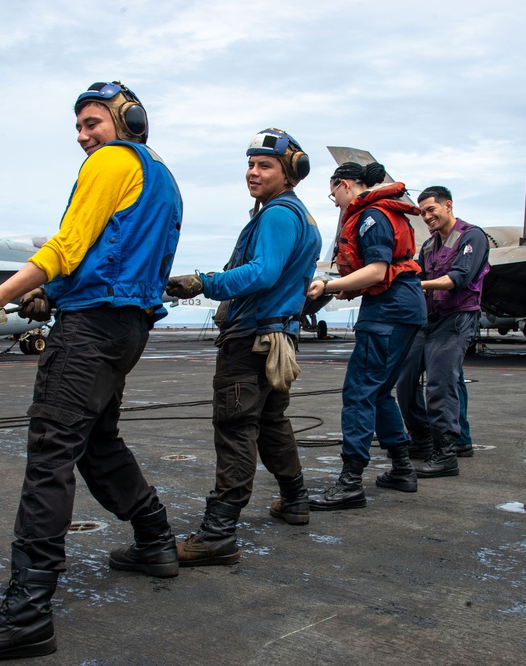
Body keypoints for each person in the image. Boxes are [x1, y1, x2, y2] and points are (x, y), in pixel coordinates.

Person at [0, 80, 182, 663]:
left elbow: (66, 247)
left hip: (92, 332)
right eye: (78, 127)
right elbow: (115, 257)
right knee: (98, 443)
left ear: (127, 119)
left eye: (92, 122)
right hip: (127, 328)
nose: (83, 137)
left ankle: (26, 614)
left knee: (51, 450)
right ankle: (155, 539)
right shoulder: (163, 178)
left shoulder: (111, 162)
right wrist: (57, 294)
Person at [165, 128, 321, 567]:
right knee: (272, 423)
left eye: (264, 165)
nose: (253, 172)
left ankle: (218, 534)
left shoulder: (276, 215)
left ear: (289, 173)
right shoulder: (301, 217)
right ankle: (296, 500)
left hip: (250, 341)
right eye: (250, 164)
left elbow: (262, 273)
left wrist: (204, 281)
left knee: (236, 429)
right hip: (277, 341)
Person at [305, 162, 425, 511]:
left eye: (334, 194)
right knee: (379, 391)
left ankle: (350, 482)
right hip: (403, 307)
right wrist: (348, 289)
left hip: (388, 312)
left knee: (358, 392)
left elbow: (377, 269)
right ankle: (402, 468)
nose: (336, 202)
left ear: (344, 185)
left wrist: (329, 284)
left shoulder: (371, 216)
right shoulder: (382, 211)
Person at [396, 186, 489, 479]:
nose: (426, 216)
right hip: (429, 319)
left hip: (457, 319)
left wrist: (418, 286)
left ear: (447, 205)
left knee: (440, 383)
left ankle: (447, 452)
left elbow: (459, 278)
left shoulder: (472, 236)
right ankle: (422, 439)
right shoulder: (429, 246)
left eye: (431, 209)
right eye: (422, 212)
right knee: (405, 378)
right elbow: (417, 273)